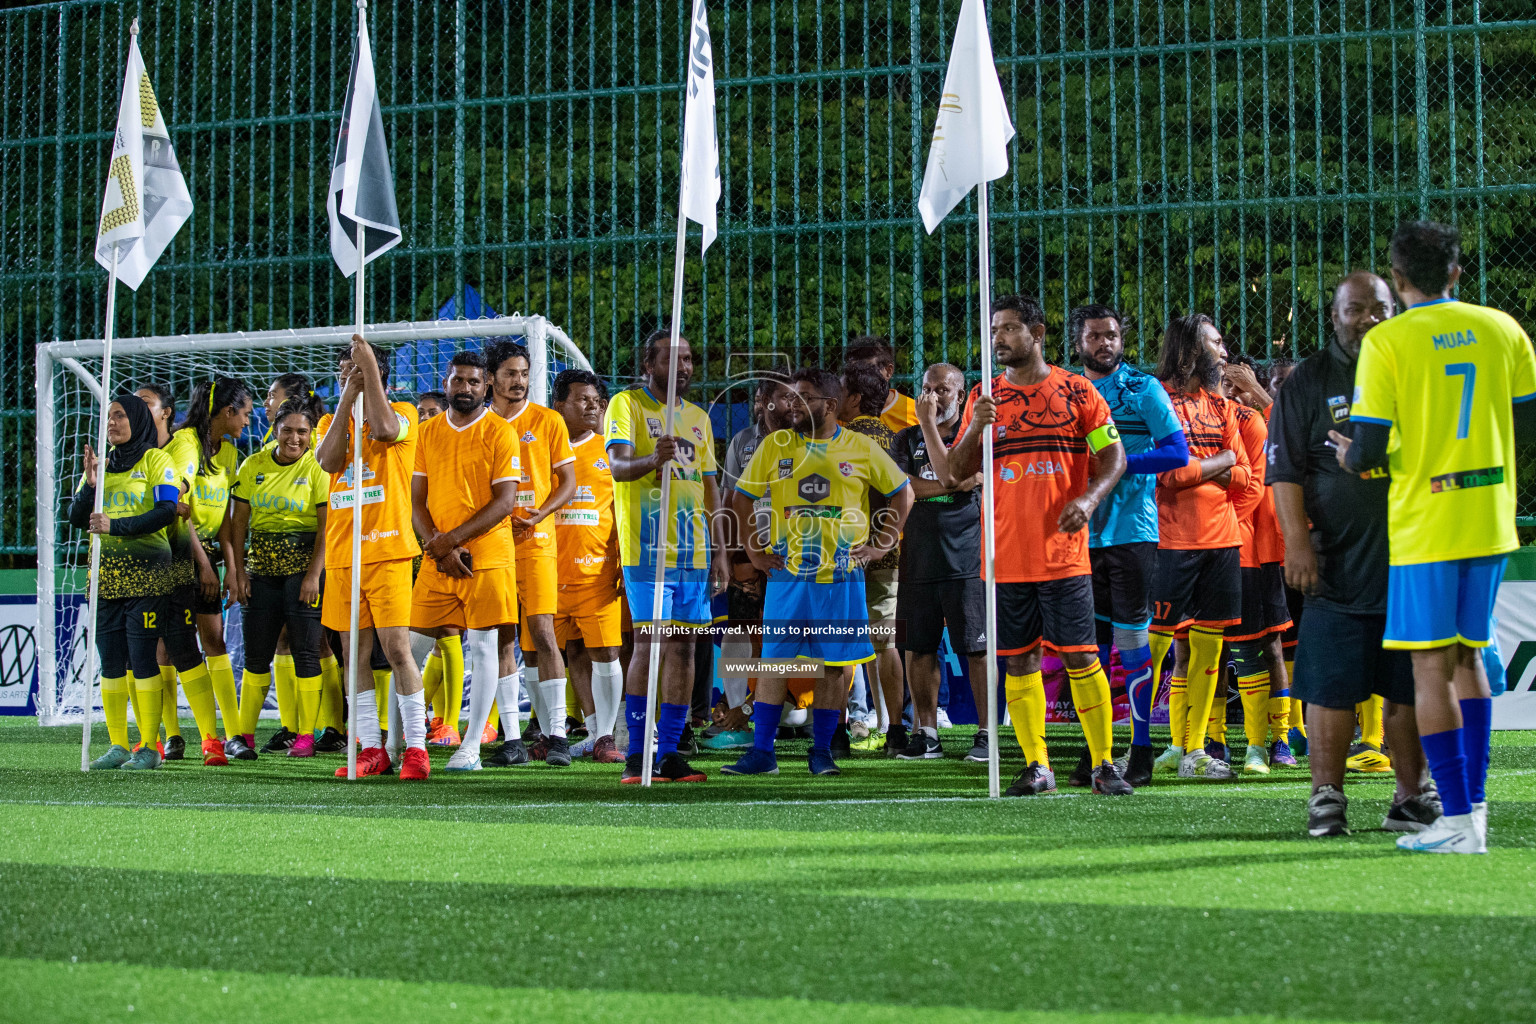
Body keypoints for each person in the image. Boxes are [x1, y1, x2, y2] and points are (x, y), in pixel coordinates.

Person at [1338, 221, 1536, 853]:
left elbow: (1367, 446)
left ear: (1397, 278)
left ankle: (1455, 820)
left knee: (1430, 665)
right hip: (1490, 515)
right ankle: (1472, 814)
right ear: (1456, 271)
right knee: (1470, 658)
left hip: (1428, 521)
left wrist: (1351, 456)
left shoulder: (1389, 340)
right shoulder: (1503, 328)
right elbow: (1527, 425)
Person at [1270, 270, 1440, 837]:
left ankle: (1411, 796)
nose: (1369, 318)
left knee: (1409, 681)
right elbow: (1285, 471)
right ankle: (1327, 799)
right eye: (1356, 309)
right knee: (1329, 686)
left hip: (1415, 556)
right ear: (1336, 315)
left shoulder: (1417, 370)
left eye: (1380, 308)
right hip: (1338, 562)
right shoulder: (1308, 382)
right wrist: (1296, 541)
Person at [946, 294, 1132, 797]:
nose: (998, 339)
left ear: (1038, 333)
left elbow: (1114, 457)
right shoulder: (984, 398)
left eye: (1008, 329)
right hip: (1003, 556)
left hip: (1063, 555)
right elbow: (954, 472)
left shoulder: (1077, 392)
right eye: (993, 331)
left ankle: (1105, 766)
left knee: (1081, 657)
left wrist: (1091, 500)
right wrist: (976, 427)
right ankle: (1037, 766)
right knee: (1019, 660)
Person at [722, 367, 914, 777]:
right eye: (790, 396)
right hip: (787, 579)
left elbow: (904, 493)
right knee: (775, 663)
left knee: (834, 666)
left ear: (828, 405)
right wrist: (755, 553)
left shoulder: (860, 447)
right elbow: (741, 499)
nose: (790, 404)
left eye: (801, 396)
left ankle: (823, 751)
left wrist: (882, 543)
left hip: (841, 579)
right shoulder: (776, 445)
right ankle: (762, 754)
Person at [1069, 304, 1189, 787]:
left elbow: (1177, 452)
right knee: (1086, 648)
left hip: (1131, 534)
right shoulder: (1064, 391)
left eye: (1112, 335)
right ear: (1077, 341)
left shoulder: (1142, 388)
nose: (1105, 343)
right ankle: (1096, 751)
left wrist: (1115, 465)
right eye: (1095, 336)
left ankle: (1140, 747)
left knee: (1133, 643)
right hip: (1076, 534)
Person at [605, 329, 729, 783]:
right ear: (649, 363)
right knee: (649, 642)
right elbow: (617, 468)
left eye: (689, 359)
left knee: (684, 649)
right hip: (647, 549)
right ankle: (638, 753)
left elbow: (711, 486)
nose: (684, 367)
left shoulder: (699, 417)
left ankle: (671, 753)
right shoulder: (627, 406)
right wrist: (651, 461)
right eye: (673, 359)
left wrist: (720, 551)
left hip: (694, 553)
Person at [315, 335, 430, 780]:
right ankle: (370, 748)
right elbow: (329, 462)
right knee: (353, 655)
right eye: (344, 368)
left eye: (356, 367)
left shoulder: (401, 413)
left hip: (389, 550)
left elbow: (382, 431)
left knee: (397, 650)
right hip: (344, 556)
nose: (349, 373)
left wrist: (371, 380)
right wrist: (348, 394)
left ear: (378, 373)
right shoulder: (330, 421)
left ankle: (416, 748)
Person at [1145, 314, 1255, 780]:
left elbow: (1247, 476)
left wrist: (1209, 466)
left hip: (1222, 540)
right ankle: (1121, 748)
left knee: (1211, 652)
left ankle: (1194, 752)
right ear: (1192, 348)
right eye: (1217, 343)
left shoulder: (1223, 406)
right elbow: (1167, 474)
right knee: (1153, 652)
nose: (1225, 353)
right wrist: (1222, 462)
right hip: (1168, 541)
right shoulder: (1156, 400)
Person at [410, 351, 522, 774]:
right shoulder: (428, 432)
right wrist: (438, 546)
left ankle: (472, 744)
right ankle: (396, 739)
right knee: (412, 647)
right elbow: (416, 500)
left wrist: (449, 542)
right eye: (459, 380)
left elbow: (506, 502)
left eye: (474, 382)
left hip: (487, 557)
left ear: (486, 384)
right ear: (448, 381)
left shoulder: (499, 432)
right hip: (439, 558)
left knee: (484, 647)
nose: (466, 388)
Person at [71, 395, 182, 771]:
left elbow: (167, 512)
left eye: (119, 415)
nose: (111, 423)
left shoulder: (156, 460)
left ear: (137, 419)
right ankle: (118, 745)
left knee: (142, 658)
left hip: (148, 575)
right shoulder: (102, 466)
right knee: (111, 661)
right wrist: (90, 485)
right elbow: (73, 517)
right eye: (108, 418)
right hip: (105, 577)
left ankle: (149, 748)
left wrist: (115, 526)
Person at [888, 363, 991, 761]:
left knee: (976, 649)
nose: (932, 396)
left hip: (968, 558)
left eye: (943, 390)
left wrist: (944, 483)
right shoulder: (904, 439)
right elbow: (902, 488)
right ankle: (927, 734)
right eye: (926, 388)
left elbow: (969, 477)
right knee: (919, 647)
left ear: (960, 396)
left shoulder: (974, 436)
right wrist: (953, 484)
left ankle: (985, 735)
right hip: (918, 559)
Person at [485, 340, 578, 766]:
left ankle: (556, 734)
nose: (518, 381)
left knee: (543, 631)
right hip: (494, 540)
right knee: (502, 634)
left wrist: (543, 513)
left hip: (537, 540)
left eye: (523, 373)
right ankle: (512, 739)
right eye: (509, 373)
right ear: (491, 378)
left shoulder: (548, 420)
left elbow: (569, 483)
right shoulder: (480, 424)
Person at [225, 395, 330, 758]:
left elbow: (325, 528)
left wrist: (314, 575)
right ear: (275, 430)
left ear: (312, 434)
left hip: (303, 570)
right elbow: (238, 524)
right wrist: (237, 571)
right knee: (256, 656)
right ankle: (244, 735)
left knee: (305, 651)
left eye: (303, 431)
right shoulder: (252, 465)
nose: (295, 439)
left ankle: (304, 736)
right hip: (261, 570)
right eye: (288, 431)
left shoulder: (318, 466)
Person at [133, 383, 224, 766]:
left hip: (173, 562)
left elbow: (179, 495)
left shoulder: (174, 449)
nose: (135, 412)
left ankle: (211, 741)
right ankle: (160, 738)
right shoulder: (117, 459)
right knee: (147, 653)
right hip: (134, 566)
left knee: (183, 647)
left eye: (145, 405)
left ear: (166, 411)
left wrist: (170, 504)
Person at [163, 377, 252, 753]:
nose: (248, 420)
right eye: (245, 413)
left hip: (209, 556)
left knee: (213, 640)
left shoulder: (229, 453)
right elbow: (177, 508)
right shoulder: (183, 444)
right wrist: (202, 564)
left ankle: (231, 736)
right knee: (168, 648)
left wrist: (232, 568)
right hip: (175, 554)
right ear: (228, 411)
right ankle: (171, 734)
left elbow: (229, 520)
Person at [707, 374, 794, 750]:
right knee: (739, 628)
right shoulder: (743, 442)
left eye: (797, 399)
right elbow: (729, 501)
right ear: (762, 401)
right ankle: (740, 709)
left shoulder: (808, 441)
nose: (791, 406)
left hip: (796, 552)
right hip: (749, 550)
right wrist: (730, 554)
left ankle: (808, 712)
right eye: (782, 398)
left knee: (792, 633)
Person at [1219, 355, 1290, 774]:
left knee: (1270, 644)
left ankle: (1277, 739)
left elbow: (1292, 437)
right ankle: (1207, 740)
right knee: (1201, 644)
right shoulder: (1202, 415)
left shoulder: (1255, 419)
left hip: (1260, 547)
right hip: (1211, 545)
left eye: (1236, 381)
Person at [550, 368, 625, 763]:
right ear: (558, 404)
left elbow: (624, 515)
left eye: (598, 401)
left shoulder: (609, 452)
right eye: (583, 400)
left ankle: (608, 736)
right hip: (549, 571)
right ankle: (593, 732)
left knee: (605, 652)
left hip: (598, 573)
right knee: (572, 653)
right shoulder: (543, 448)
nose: (593, 407)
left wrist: (624, 565)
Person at [840, 363, 905, 754]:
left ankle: (837, 732)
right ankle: (894, 728)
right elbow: (904, 493)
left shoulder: (843, 440)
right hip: (888, 553)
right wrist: (885, 542)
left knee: (843, 640)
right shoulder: (895, 438)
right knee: (886, 643)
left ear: (855, 399)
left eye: (840, 392)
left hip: (845, 554)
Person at [845, 336, 919, 433]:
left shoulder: (915, 413)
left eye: (867, 370)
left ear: (888, 371)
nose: (859, 378)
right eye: (853, 371)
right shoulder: (842, 411)